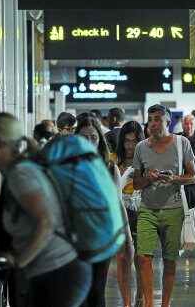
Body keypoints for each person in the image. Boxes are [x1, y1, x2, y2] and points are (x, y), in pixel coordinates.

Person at [0, 113, 92, 306]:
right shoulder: (17, 171)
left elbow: (46, 222)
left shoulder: (21, 174)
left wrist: (17, 261)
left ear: (0, 142)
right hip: (58, 271)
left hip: (59, 272)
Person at [131, 104, 195, 307]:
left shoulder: (181, 143)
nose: (153, 123)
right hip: (148, 209)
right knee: (143, 257)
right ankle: (150, 303)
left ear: (168, 122)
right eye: (150, 119)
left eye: (157, 119)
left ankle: (165, 304)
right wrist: (149, 179)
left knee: (169, 261)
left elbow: (193, 177)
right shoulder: (141, 147)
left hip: (173, 209)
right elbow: (136, 183)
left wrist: (174, 179)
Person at [76, 116, 134, 307]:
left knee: (96, 292)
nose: (89, 142)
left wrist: (128, 239)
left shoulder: (109, 168)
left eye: (93, 137)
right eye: (84, 137)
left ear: (100, 138)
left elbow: (118, 203)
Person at [115, 121, 145, 307]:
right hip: (119, 214)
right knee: (122, 258)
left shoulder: (146, 160)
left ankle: (139, 298)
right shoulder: (114, 161)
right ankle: (126, 302)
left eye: (134, 142)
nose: (130, 146)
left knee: (141, 259)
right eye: (126, 141)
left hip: (142, 213)